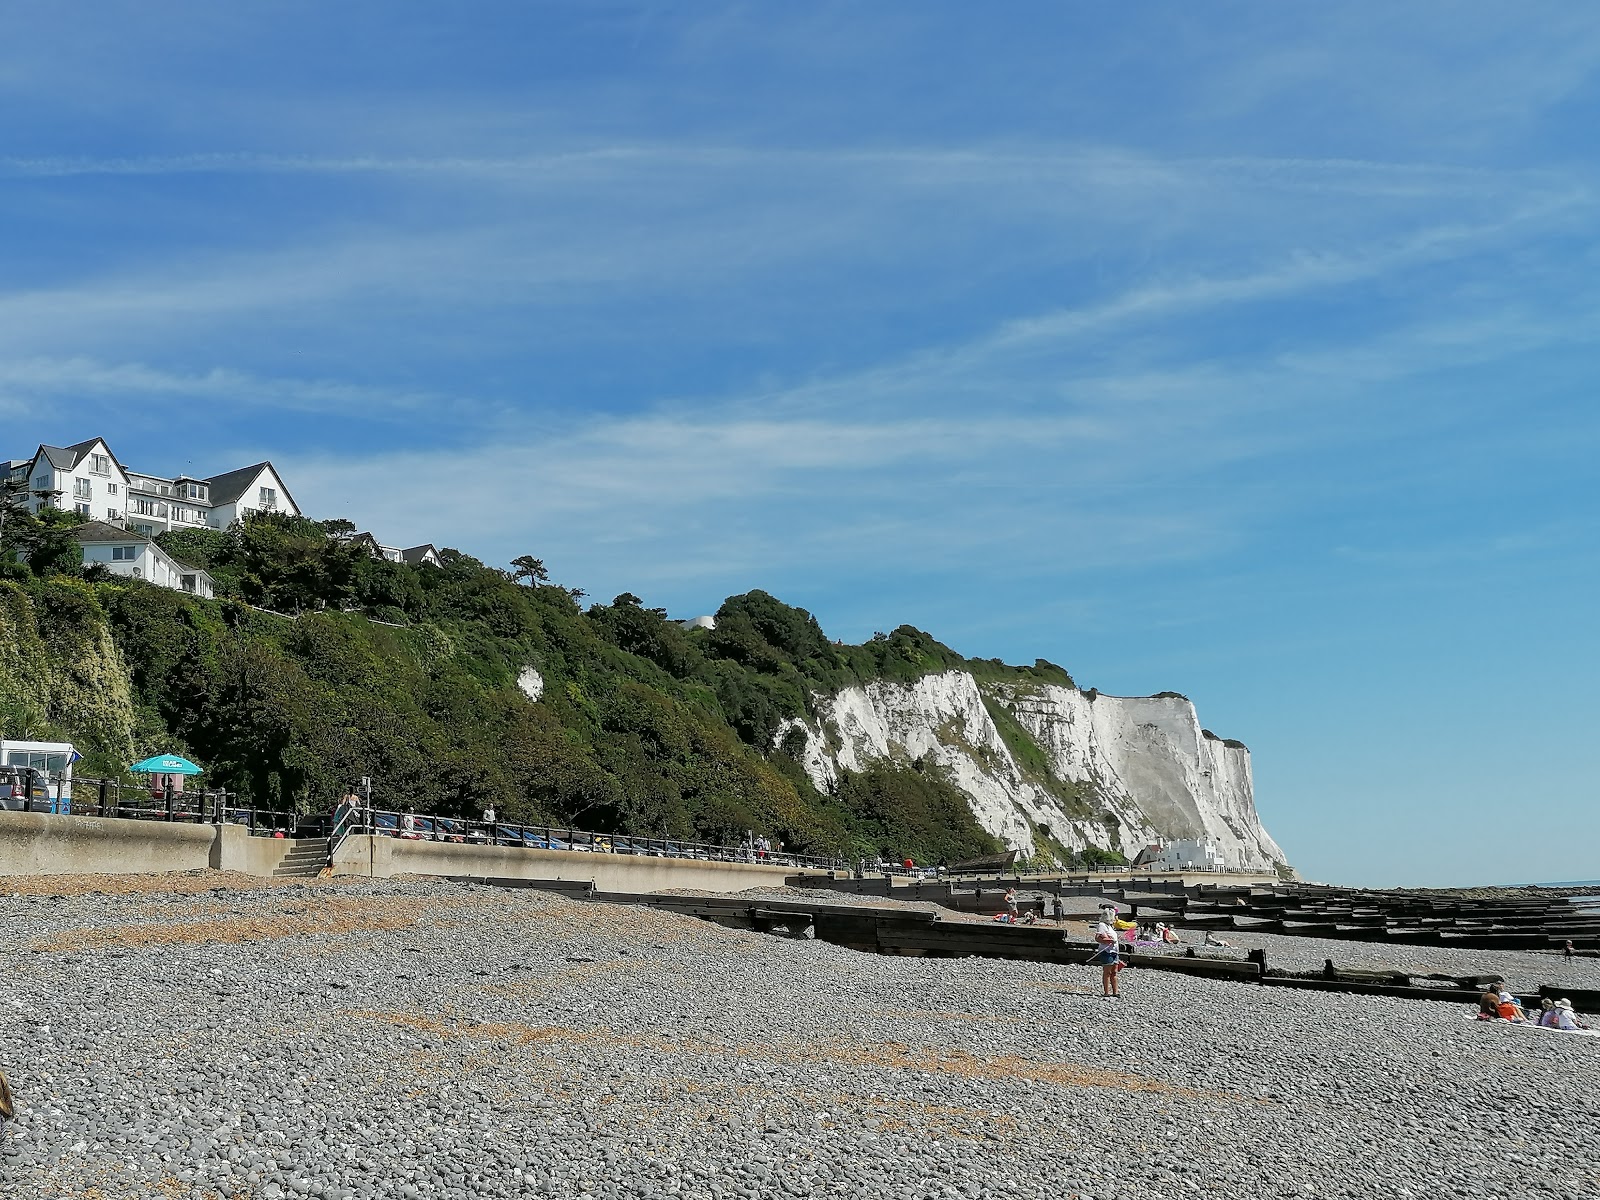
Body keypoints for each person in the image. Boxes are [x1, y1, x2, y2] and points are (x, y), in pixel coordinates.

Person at [1090, 919, 1123, 998]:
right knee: (1107, 972)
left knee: (1114, 972)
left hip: (1114, 951)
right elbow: (1097, 938)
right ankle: (1106, 992)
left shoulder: (1110, 926)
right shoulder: (1102, 925)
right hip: (1106, 952)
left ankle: (1115, 992)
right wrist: (1109, 940)